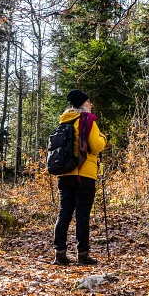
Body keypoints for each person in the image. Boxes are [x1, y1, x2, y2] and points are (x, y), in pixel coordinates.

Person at [52, 89, 107, 265]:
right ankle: (82, 255)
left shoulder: (64, 121)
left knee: (64, 214)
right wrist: (104, 138)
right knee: (82, 215)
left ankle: (59, 254)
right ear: (83, 104)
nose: (91, 104)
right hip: (84, 174)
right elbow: (96, 146)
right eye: (88, 101)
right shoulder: (88, 120)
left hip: (64, 174)